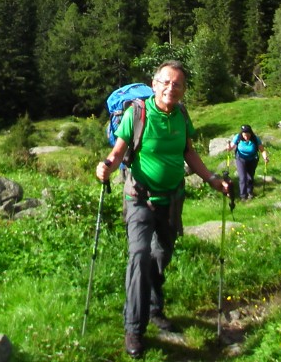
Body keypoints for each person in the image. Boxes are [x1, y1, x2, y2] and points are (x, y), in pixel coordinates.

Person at [96, 61, 232, 358]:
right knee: (140, 255)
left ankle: (155, 309)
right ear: (155, 84)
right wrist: (105, 167)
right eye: (166, 82)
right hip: (139, 198)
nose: (172, 88)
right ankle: (134, 328)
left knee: (161, 255)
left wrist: (211, 179)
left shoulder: (182, 115)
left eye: (178, 84)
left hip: (172, 199)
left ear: (183, 91)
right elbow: (118, 151)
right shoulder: (138, 113)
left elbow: (188, 151)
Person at [228, 124, 268, 201]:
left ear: (250, 133)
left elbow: (262, 150)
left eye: (248, 135)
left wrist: (265, 157)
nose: (246, 137)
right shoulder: (238, 137)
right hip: (240, 159)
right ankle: (243, 196)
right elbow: (231, 147)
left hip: (253, 159)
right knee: (243, 178)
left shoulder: (255, 139)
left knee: (250, 177)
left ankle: (250, 193)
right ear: (242, 134)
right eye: (244, 135)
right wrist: (229, 147)